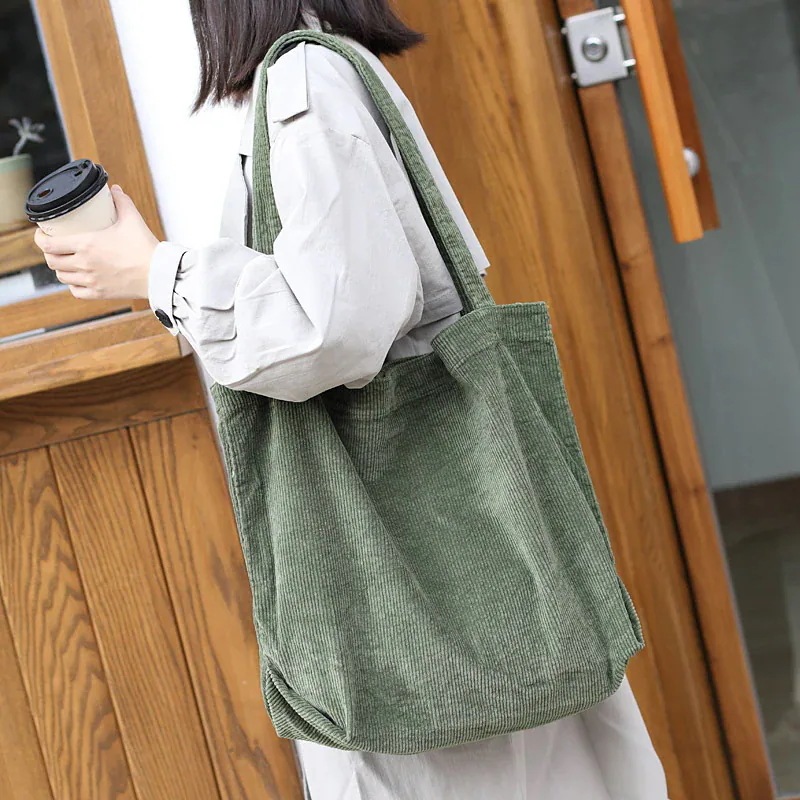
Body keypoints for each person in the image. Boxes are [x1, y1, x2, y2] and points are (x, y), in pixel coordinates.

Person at [33, 1, 669, 797]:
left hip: (422, 590)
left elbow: (335, 327)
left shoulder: (305, 81)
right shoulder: (323, 66)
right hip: (479, 578)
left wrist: (157, 272)